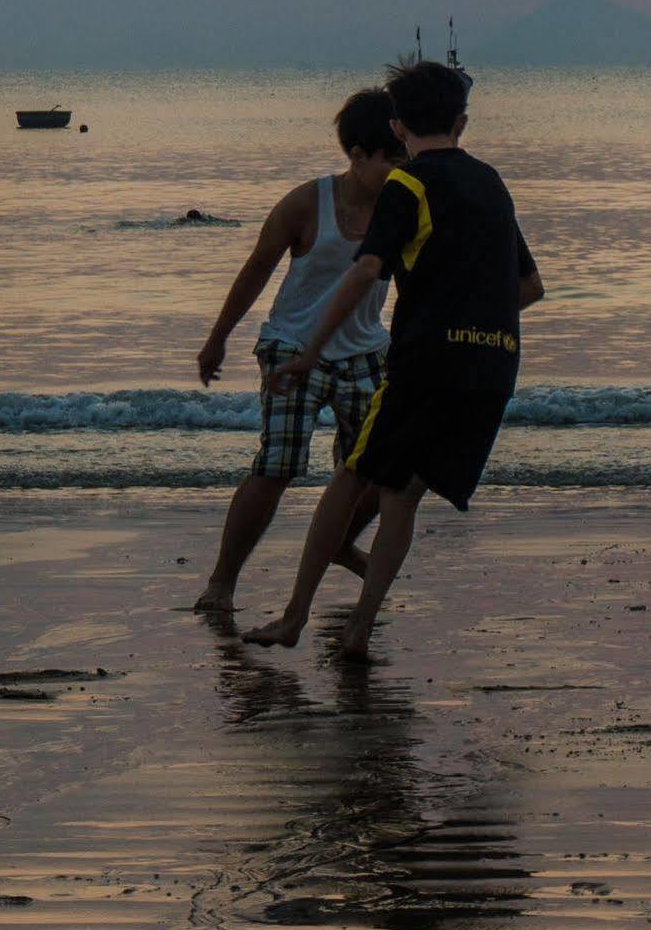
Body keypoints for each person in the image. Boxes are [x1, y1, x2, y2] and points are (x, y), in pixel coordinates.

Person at [244, 60, 543, 659]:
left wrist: (310, 351)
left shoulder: (406, 186)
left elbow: (366, 270)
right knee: (402, 494)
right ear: (462, 121)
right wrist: (473, 315)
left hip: (426, 364)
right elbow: (530, 287)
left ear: (398, 127)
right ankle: (358, 628)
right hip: (494, 368)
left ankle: (295, 616)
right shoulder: (492, 182)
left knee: (353, 477)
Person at [191, 89, 405, 613]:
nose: (402, 167)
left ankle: (334, 544)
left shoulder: (403, 207)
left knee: (382, 472)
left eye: (406, 155)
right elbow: (256, 269)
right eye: (391, 158)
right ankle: (222, 581)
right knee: (278, 466)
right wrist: (216, 339)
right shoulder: (309, 203)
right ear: (357, 155)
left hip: (367, 354)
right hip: (292, 348)